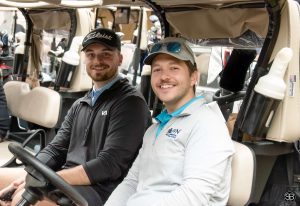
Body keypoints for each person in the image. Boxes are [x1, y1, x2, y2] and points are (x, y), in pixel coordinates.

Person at [0, 28, 151, 206]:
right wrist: (32, 174)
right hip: (66, 178)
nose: (97, 61)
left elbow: (109, 165)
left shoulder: (130, 103)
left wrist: (48, 179)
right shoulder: (81, 104)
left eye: (106, 54)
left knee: (25, 198)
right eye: (90, 54)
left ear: (120, 59)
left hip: (101, 190)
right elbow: (55, 149)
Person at [105, 37, 235, 206]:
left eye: (174, 68)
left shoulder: (207, 124)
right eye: (157, 70)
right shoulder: (155, 129)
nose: (164, 76)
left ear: (193, 77)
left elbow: (193, 197)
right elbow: (132, 182)